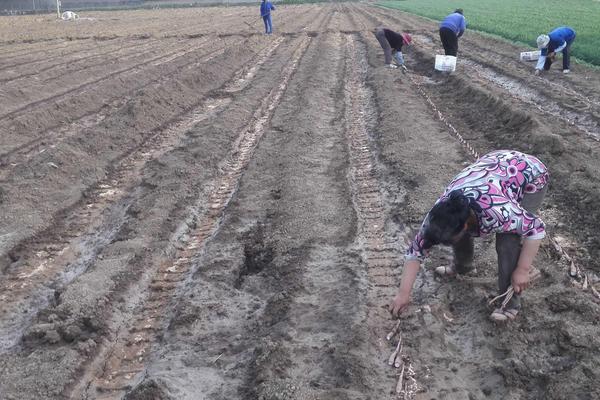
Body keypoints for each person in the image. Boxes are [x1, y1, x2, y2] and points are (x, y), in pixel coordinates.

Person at [389, 150, 549, 322]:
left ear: (466, 224)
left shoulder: (499, 212)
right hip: (494, 168)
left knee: (507, 241)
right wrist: (403, 294)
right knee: (456, 233)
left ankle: (509, 304)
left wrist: (522, 270)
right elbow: (415, 253)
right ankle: (463, 266)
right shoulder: (440, 214)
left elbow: (536, 229)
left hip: (530, 175)